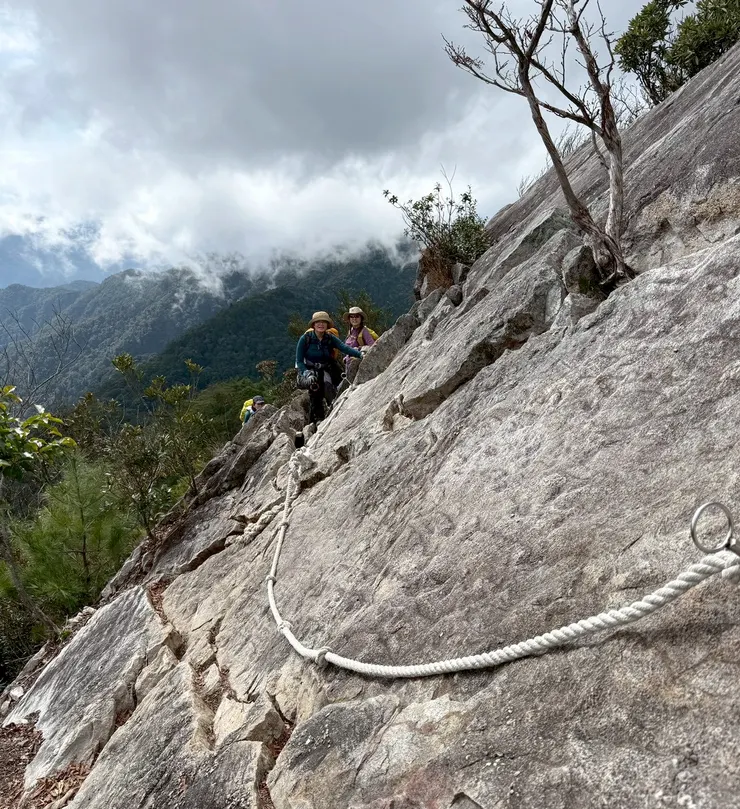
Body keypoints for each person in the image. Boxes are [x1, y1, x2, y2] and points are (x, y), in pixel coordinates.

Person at [296, 311, 363, 423]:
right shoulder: (305, 339)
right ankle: (318, 419)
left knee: (340, 386)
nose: (321, 324)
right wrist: (306, 373)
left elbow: (344, 348)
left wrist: (360, 354)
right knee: (315, 391)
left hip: (328, 368)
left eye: (324, 322)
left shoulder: (330, 338)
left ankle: (338, 409)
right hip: (311, 370)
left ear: (327, 325)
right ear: (313, 325)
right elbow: (299, 361)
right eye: (318, 322)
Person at [343, 306, 378, 378]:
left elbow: (372, 346)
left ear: (361, 318)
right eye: (352, 317)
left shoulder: (364, 331)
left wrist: (358, 349)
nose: (354, 319)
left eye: (357, 316)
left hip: (357, 365)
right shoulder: (351, 331)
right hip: (348, 364)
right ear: (349, 319)